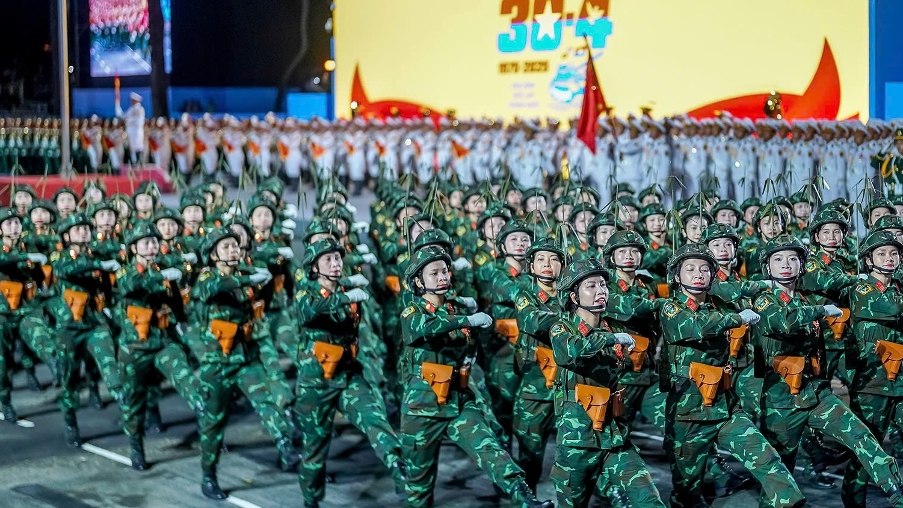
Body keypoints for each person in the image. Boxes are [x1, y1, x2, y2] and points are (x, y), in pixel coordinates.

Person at [752, 234, 903, 507]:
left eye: (793, 259)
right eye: (778, 259)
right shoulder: (764, 301)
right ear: (767, 266)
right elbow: (783, 321)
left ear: (802, 265)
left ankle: (895, 489)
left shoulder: (808, 297)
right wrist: (821, 310)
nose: (786, 264)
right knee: (781, 475)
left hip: (818, 394)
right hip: (782, 403)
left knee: (861, 436)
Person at [399, 245, 552, 508]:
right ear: (419, 281)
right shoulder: (413, 313)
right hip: (422, 409)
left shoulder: (456, 308)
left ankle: (527, 501)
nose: (443, 277)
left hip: (459, 401)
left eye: (445, 271)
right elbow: (427, 327)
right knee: (418, 487)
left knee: (493, 453)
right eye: (434, 273)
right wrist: (466, 320)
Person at [660, 243, 805, 508]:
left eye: (705, 269)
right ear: (677, 276)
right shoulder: (672, 308)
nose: (698, 274)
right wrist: (737, 318)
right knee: (686, 493)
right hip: (689, 413)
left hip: (725, 407)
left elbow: (747, 302)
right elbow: (697, 327)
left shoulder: (720, 304)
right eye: (690, 269)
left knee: (768, 461)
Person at [294, 238, 406, 506]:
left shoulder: (349, 289)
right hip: (317, 382)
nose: (335, 264)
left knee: (374, 418)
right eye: (328, 260)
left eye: (337, 258)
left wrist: (348, 292)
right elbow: (311, 310)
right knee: (314, 450)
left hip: (348, 375)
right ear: (314, 267)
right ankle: (311, 500)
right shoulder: (306, 293)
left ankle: (399, 468)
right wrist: (345, 296)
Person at [549, 257, 665, 508]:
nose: (600, 290)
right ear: (574, 296)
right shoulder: (562, 328)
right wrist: (611, 339)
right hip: (578, 440)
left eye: (603, 284)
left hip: (615, 435)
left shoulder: (613, 326)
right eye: (591, 286)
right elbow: (572, 351)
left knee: (648, 499)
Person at [842, 231, 903, 505]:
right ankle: (854, 502)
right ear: (868, 260)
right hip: (872, 383)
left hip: (899, 380)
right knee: (867, 450)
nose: (889, 258)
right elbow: (891, 310)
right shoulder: (862, 289)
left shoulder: (898, 289)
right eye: (881, 253)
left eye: (894, 253)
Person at [116, 92, 146, 165]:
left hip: (137, 130)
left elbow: (139, 121)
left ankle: (139, 161)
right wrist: (118, 110)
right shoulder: (131, 109)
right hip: (131, 130)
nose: (131, 101)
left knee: (138, 145)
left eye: (132, 100)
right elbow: (124, 116)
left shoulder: (140, 109)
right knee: (132, 146)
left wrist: (129, 120)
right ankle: (134, 162)